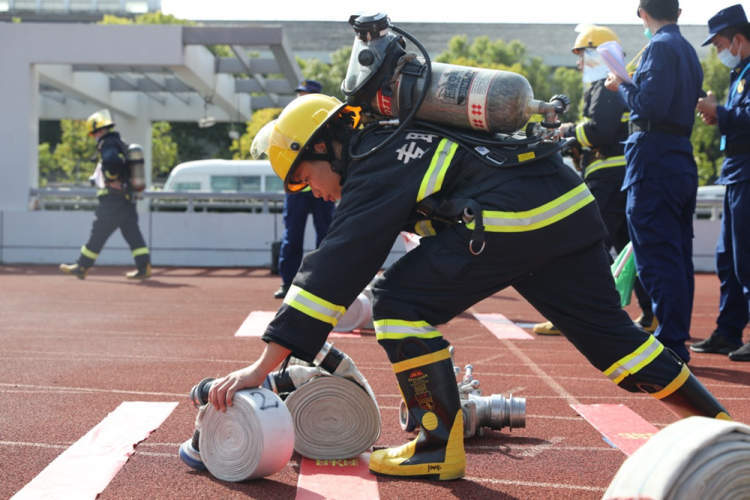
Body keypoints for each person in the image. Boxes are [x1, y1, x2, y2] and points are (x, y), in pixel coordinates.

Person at [202, 93, 729, 481]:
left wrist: (261, 368)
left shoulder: (374, 160)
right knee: (616, 343)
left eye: (301, 176)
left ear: (324, 146)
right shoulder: (396, 140)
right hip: (566, 208)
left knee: (397, 303)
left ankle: (436, 443)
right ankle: (725, 430)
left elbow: (336, 267)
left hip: (513, 219)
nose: (309, 191)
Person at [533, 25, 656, 336]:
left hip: (606, 176)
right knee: (628, 246)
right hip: (617, 176)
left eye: (581, 56)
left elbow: (598, 131)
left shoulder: (605, 87)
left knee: (585, 243)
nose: (578, 64)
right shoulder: (613, 85)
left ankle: (583, 314)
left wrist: (567, 132)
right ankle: (652, 312)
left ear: (596, 54)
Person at [605, 0, 703, 363]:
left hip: (653, 159)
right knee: (676, 255)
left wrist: (622, 85)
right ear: (678, 13)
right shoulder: (688, 50)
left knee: (657, 256)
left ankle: (671, 342)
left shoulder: (659, 47)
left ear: (643, 15)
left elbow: (648, 106)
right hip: (677, 158)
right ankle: (674, 335)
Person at [693, 4, 750, 362]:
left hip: (747, 172)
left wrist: (720, 112)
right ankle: (728, 332)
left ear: (739, 40)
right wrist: (721, 116)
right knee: (728, 258)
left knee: (746, 258)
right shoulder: (741, 72)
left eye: (719, 44)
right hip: (735, 172)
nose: (718, 52)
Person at [59, 109, 151, 280]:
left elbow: (112, 162)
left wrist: (112, 179)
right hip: (126, 199)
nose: (94, 136)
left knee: (98, 232)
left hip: (113, 200)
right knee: (132, 234)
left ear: (99, 130)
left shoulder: (107, 143)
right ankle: (144, 267)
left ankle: (81, 266)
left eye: (94, 133)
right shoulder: (119, 142)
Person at [273, 79, 336, 298]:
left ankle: (321, 280)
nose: (300, 98)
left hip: (323, 189)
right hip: (298, 191)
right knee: (292, 236)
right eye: (299, 94)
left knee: (326, 236)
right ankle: (288, 282)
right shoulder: (291, 123)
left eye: (305, 94)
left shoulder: (324, 122)